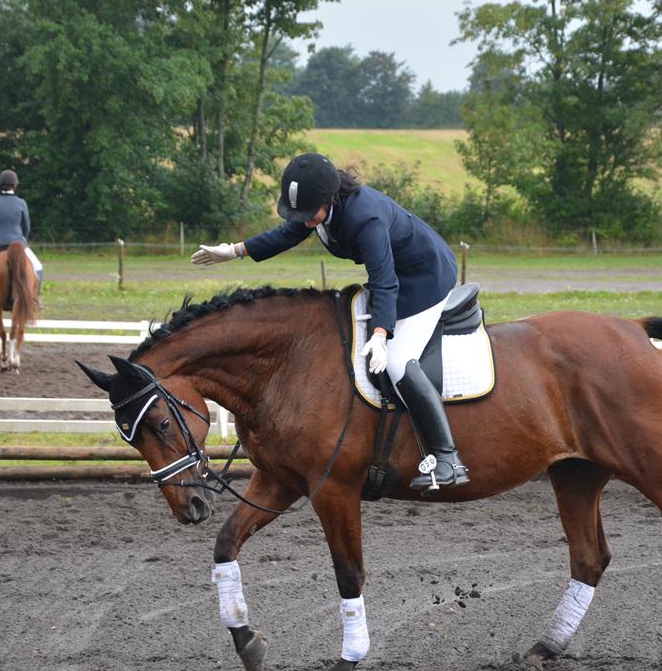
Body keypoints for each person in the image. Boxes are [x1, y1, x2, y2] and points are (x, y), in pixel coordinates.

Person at [192, 153, 469, 492]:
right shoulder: (319, 210)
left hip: (424, 280)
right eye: (302, 215)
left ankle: (448, 458)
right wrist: (234, 251)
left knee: (397, 361)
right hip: (396, 276)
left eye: (310, 215)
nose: (306, 221)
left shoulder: (365, 218)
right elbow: (286, 234)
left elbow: (383, 280)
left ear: (330, 199)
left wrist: (382, 333)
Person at [0, 169, 43, 313]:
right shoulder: (21, 203)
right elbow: (26, 227)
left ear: (0, 185)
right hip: (19, 244)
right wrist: (23, 240)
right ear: (15, 185)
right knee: (39, 268)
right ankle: (35, 300)